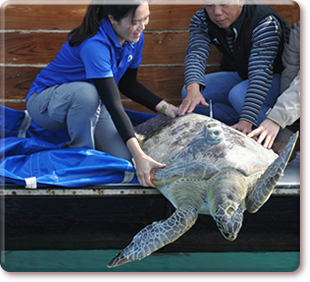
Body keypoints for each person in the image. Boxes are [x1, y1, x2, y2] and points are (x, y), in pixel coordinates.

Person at [25, 1, 179, 187]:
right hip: (45, 104)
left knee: (124, 158)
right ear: (112, 19)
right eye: (134, 21)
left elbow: (129, 85)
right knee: (87, 92)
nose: (141, 26)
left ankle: (88, 143)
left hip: (93, 104)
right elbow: (114, 104)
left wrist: (166, 108)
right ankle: (79, 155)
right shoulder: (94, 45)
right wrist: (140, 155)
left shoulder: (134, 37)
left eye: (146, 18)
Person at [178, 0, 290, 135]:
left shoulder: (265, 22)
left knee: (238, 95)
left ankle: (273, 139)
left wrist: (247, 119)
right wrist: (193, 89)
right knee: (190, 91)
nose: (217, 12)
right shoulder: (202, 19)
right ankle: (235, 130)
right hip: (243, 74)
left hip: (279, 79)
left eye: (224, 4)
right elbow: (196, 54)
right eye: (209, 5)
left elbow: (260, 74)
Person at [248, 21, 300, 155]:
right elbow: (290, 75)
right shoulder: (300, 28)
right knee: (239, 95)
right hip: (295, 105)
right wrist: (285, 135)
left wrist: (276, 120)